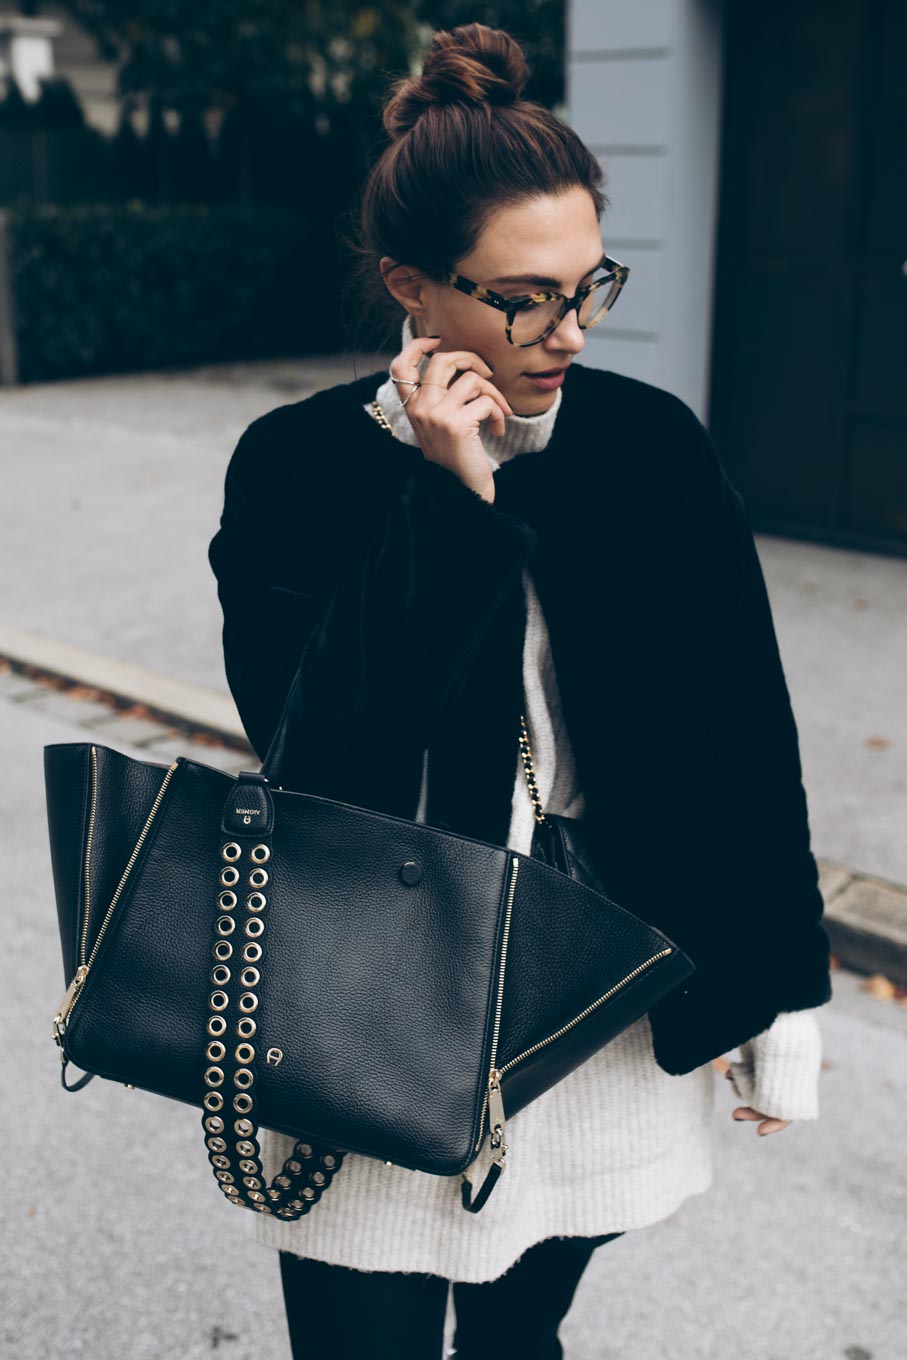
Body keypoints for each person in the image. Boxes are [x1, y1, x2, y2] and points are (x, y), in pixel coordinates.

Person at [206, 22, 832, 1359]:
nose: (570, 332)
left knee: (516, 1343)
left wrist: (778, 999)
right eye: (521, 296)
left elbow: (740, 739)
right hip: (376, 1001)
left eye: (586, 281)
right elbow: (316, 762)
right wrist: (447, 503)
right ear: (410, 287)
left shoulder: (651, 447)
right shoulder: (297, 470)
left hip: (592, 1005)